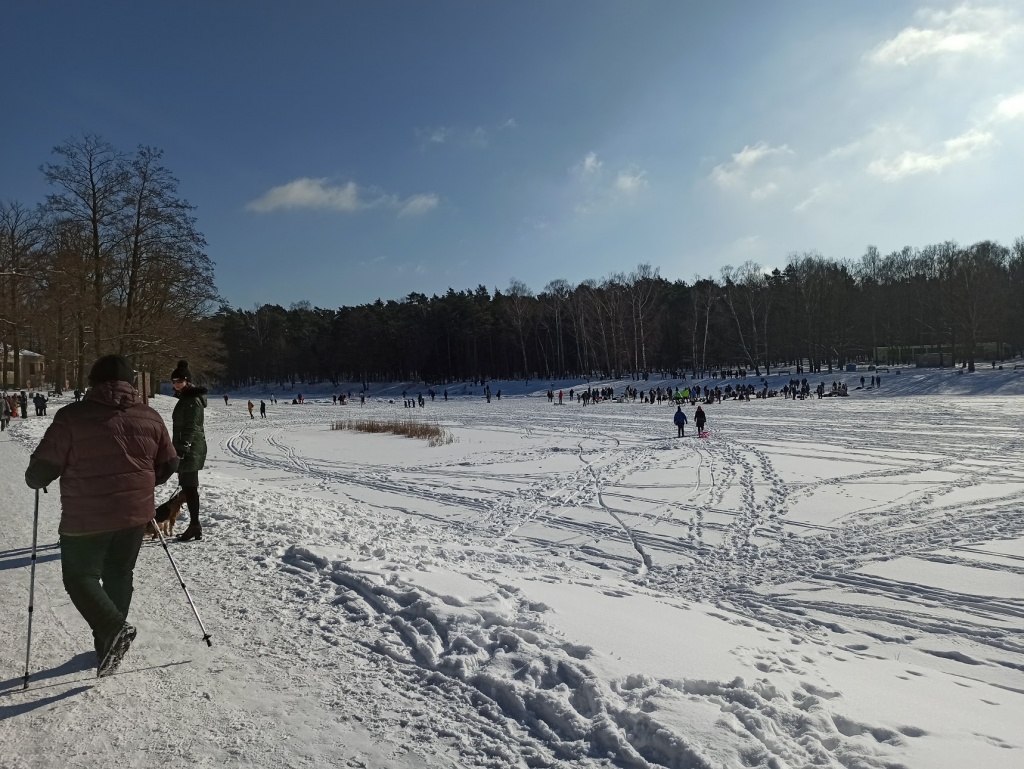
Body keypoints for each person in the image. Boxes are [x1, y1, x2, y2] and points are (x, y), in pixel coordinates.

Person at [24, 354, 178, 676]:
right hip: (134, 516)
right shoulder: (150, 416)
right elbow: (169, 463)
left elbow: (41, 472)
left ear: (92, 382)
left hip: (86, 519)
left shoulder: (71, 417)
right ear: (132, 384)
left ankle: (112, 629)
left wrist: (36, 475)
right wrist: (142, 484)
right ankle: (109, 640)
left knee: (80, 578)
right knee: (119, 574)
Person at [170, 360, 208, 542]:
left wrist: (183, 447)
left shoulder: (191, 400)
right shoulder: (186, 398)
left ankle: (195, 525)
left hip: (191, 449)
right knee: (188, 487)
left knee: (190, 487)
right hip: (188, 448)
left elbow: (191, 426)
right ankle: (195, 525)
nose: (176, 384)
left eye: (179, 381)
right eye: (174, 381)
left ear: (187, 381)